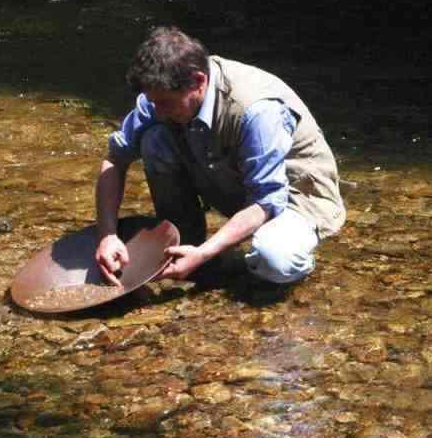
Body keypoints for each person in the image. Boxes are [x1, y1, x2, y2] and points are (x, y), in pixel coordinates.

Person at [95, 26, 346, 287]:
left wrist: (203, 254)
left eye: (166, 103)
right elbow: (115, 160)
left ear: (199, 81)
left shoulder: (257, 111)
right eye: (152, 102)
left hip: (295, 195)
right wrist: (107, 235)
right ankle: (185, 240)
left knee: (275, 260)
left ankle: (294, 255)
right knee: (154, 139)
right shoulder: (161, 92)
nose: (157, 111)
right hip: (235, 180)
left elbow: (266, 201)